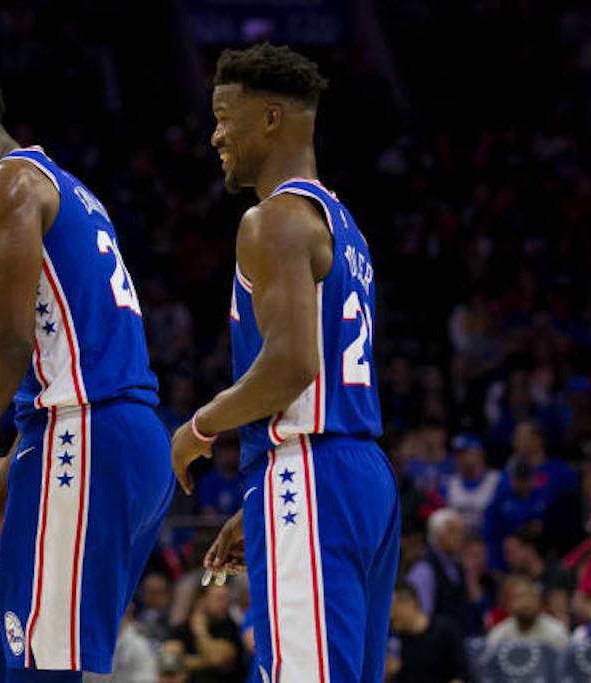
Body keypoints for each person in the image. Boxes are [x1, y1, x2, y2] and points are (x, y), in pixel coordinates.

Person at [0, 64, 174, 681]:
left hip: (88, 436)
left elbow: (8, 345)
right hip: (83, 436)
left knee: (41, 670)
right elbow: (56, 366)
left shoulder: (6, 183)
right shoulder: (67, 187)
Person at [173, 43, 399, 683]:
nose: (214, 133)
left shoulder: (272, 220)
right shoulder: (342, 222)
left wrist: (197, 430)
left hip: (312, 472)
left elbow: (292, 366)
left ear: (270, 119)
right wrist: (264, 497)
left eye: (224, 116)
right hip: (357, 476)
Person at [386, 583, 469, 683]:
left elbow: (462, 674)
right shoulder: (396, 643)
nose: (391, 616)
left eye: (393, 608)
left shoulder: (445, 630)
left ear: (410, 603)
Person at [405, 508, 467, 629]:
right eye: (452, 531)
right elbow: (422, 615)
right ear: (436, 534)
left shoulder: (458, 566)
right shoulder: (424, 569)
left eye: (460, 531)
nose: (459, 537)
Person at [485, 575, 569, 652]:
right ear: (507, 605)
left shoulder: (556, 631)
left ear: (538, 600)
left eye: (530, 596)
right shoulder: (499, 636)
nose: (525, 603)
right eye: (518, 598)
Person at [442, 434, 500, 536]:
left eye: (465, 453)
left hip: (488, 544)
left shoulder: (498, 481)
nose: (460, 458)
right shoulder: (448, 484)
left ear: (479, 453)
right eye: (457, 455)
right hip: (459, 545)